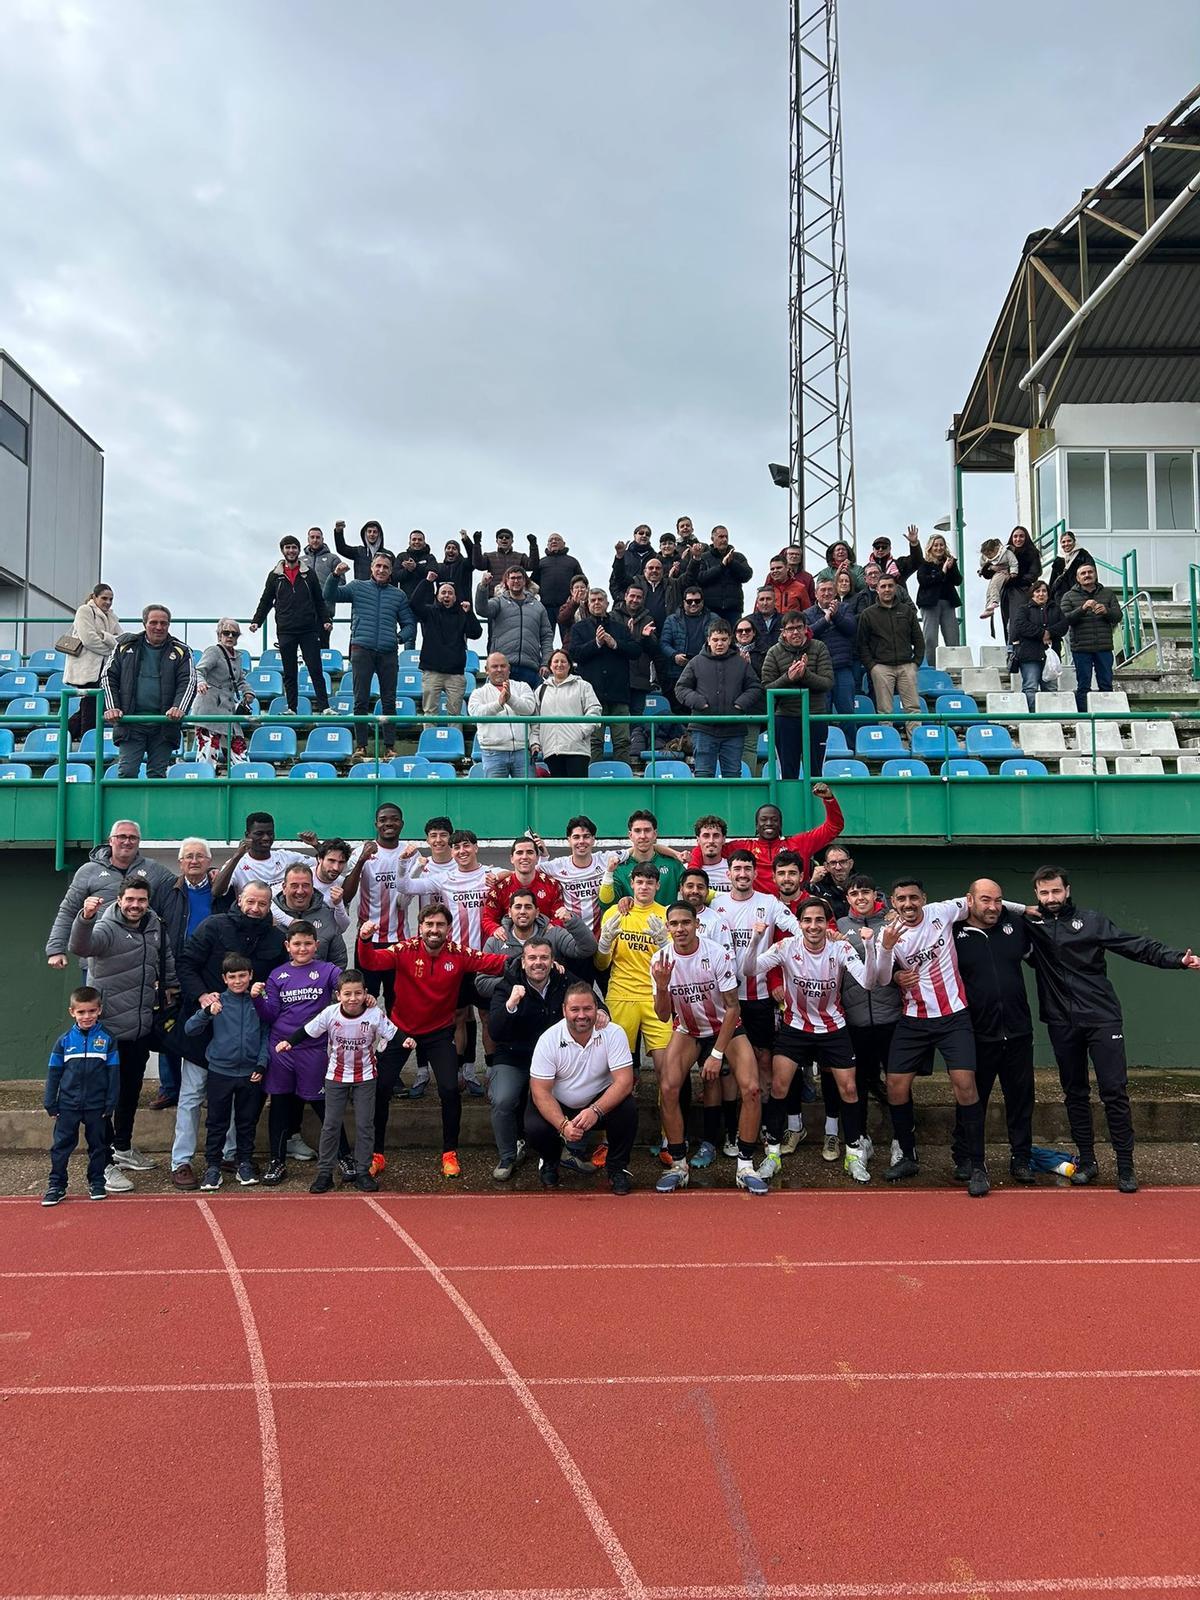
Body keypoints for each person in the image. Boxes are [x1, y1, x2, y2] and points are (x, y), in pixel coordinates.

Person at [1022, 865, 1200, 1193]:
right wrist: (1022, 910)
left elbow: (1135, 945)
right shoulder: (1031, 926)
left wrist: (1176, 959)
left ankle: (1125, 1165)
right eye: (1044, 893)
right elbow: (987, 908)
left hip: (1102, 1018)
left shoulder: (1092, 922)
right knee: (1075, 1093)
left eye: (1056, 891)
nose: (1051, 898)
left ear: (1068, 890)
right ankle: (1088, 1162)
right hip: (1061, 1022)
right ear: (1036, 895)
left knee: (1114, 1092)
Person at [876, 879, 1021, 1197]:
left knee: (965, 1085)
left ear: (924, 899)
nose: (909, 903)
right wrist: (890, 957)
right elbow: (881, 978)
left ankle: (977, 1166)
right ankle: (908, 1157)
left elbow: (988, 901)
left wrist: (1028, 909)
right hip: (914, 1020)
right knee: (896, 1086)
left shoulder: (942, 911)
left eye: (914, 897)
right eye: (902, 899)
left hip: (954, 1016)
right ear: (893, 902)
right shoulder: (887, 935)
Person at [357, 903, 507, 1178]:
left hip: (439, 1033)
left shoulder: (458, 953)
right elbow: (371, 962)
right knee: (381, 1088)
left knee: (450, 1089)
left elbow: (493, 963)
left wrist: (530, 958)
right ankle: (376, 1153)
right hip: (399, 1031)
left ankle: (449, 1153)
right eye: (429, 925)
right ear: (421, 927)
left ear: (448, 929)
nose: (434, 930)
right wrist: (365, 940)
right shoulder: (404, 950)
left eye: (440, 925)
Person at [749, 896, 883, 1184]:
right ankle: (772, 1154)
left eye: (819, 920)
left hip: (833, 1027)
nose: (813, 926)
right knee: (779, 1085)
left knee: (848, 1089)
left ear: (827, 923)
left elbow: (869, 982)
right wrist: (755, 939)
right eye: (807, 920)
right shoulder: (786, 947)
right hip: (795, 1026)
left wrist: (871, 946)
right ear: (799, 924)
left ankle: (854, 1153)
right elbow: (748, 970)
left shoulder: (841, 947)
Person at [68, 875, 175, 1190]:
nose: (135, 905)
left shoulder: (154, 923)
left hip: (140, 1027)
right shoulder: (105, 927)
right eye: (130, 899)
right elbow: (80, 945)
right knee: (105, 1100)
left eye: (141, 900)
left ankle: (123, 1148)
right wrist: (85, 917)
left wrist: (172, 988)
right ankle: (102, 1166)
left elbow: (164, 958)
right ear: (119, 899)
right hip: (109, 1031)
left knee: (129, 1094)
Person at [650, 903, 765, 1195]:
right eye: (674, 924)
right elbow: (663, 1016)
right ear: (667, 927)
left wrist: (716, 1054)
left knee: (751, 1088)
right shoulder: (660, 959)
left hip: (726, 1027)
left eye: (685, 922)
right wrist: (662, 988)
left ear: (696, 924)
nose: (680, 929)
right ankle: (678, 1164)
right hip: (688, 1030)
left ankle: (746, 1165)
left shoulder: (716, 953)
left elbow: (732, 1008)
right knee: (668, 1088)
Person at [279, 969, 397, 1194]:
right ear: (338, 995)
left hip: (365, 1077)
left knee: (365, 1124)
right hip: (336, 1076)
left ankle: (363, 1171)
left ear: (365, 994)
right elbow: (307, 1030)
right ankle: (324, 1173)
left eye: (358, 993)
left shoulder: (373, 1013)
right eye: (347, 994)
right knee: (331, 1125)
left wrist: (407, 1041)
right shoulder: (330, 1013)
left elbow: (393, 1034)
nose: (353, 998)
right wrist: (289, 1043)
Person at [950, 881, 1036, 1185]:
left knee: (1021, 1099)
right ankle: (966, 1158)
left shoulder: (1015, 926)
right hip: (975, 1033)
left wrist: (1020, 909)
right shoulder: (953, 931)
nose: (993, 907)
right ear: (969, 900)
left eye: (999, 901)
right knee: (972, 1099)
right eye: (986, 900)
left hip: (1018, 1032)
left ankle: (1021, 1158)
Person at [253, 922, 343, 1187]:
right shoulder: (277, 975)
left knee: (324, 1106)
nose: (302, 948)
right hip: (281, 1048)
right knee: (280, 1104)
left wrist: (365, 997)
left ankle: (345, 1156)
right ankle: (276, 1161)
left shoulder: (328, 970)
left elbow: (348, 987)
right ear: (287, 947)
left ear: (316, 945)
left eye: (307, 943)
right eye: (297, 944)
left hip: (314, 1049)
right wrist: (258, 999)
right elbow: (270, 1014)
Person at [525, 984, 637, 1193]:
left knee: (627, 1108)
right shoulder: (548, 1039)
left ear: (597, 1009)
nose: (582, 1015)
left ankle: (617, 1169)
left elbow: (624, 1082)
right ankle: (550, 1161)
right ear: (564, 1010)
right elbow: (540, 1091)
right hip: (559, 1103)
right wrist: (562, 1125)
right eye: (575, 1009)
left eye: (588, 1009)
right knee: (534, 1127)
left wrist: (596, 1110)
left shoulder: (614, 1033)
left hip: (598, 1102)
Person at [712, 849, 801, 1094]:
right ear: (728, 873)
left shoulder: (769, 902)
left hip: (760, 996)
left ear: (754, 873)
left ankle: (762, 1122)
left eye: (747, 869)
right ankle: (733, 1121)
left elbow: (798, 930)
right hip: (726, 997)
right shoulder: (716, 904)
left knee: (763, 1056)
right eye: (737, 869)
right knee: (729, 1061)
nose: (742, 874)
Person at [184, 953, 269, 1191]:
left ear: (251, 975)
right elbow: (190, 1029)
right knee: (216, 1122)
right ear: (224, 978)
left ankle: (244, 1163)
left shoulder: (259, 1001)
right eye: (232, 977)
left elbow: (266, 1035)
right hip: (220, 1072)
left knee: (246, 1122)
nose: (238, 981)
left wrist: (261, 1064)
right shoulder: (217, 1001)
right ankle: (213, 1167)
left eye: (243, 975)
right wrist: (206, 1012)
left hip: (250, 1073)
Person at [487, 942, 571, 1181]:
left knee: (576, 1088)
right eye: (532, 958)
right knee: (503, 1099)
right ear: (523, 962)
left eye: (544, 958)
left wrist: (602, 1011)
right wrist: (510, 1005)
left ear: (552, 961)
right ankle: (507, 1155)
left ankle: (566, 1150)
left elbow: (587, 997)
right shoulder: (507, 986)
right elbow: (495, 1030)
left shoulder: (564, 981)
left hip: (553, 1060)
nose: (538, 963)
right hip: (515, 1057)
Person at [45, 820, 174, 970]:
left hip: (138, 961)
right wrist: (56, 949)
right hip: (98, 959)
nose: (127, 841)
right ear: (110, 840)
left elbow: (181, 886)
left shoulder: (153, 869)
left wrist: (208, 872)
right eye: (122, 836)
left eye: (133, 838)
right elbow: (68, 911)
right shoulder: (88, 871)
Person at [324, 552, 416, 758]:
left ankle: (390, 747)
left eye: (386, 567)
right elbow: (330, 595)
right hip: (361, 650)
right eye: (378, 566)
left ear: (391, 571)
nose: (381, 570)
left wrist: (399, 638)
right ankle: (361, 746)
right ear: (371, 568)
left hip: (388, 652)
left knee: (389, 700)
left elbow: (409, 624)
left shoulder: (398, 595)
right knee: (360, 700)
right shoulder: (357, 586)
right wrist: (335, 575)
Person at [154, 837, 220, 1114]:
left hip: (207, 972)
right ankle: (170, 1088)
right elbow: (154, 932)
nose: (194, 861)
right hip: (173, 969)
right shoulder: (166, 891)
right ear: (180, 863)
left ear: (209, 862)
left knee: (207, 1029)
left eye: (199, 856)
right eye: (188, 856)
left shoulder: (221, 890)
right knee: (170, 1028)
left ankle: (205, 1089)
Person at [42, 985, 119, 1205]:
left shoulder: (107, 1040)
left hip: (97, 1106)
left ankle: (96, 1182)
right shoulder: (64, 1041)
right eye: (81, 1012)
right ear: (72, 1012)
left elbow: (114, 1075)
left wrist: (110, 1102)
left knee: (98, 1146)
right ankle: (56, 1185)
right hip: (67, 1105)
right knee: (61, 1146)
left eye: (91, 1011)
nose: (87, 1016)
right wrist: (51, 1102)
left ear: (99, 1011)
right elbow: (54, 1074)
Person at [687, 787, 844, 894]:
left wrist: (829, 799)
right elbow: (706, 847)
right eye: (763, 820)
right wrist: (693, 871)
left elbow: (834, 827)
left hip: (794, 906)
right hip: (758, 912)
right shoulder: (743, 848)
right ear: (756, 825)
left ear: (781, 824)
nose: (769, 823)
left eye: (774, 820)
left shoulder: (799, 843)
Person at [103, 605, 197, 778]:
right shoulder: (124, 647)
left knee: (157, 775)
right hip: (130, 723)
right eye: (154, 622)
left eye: (164, 623)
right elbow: (108, 677)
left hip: (164, 724)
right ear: (144, 623)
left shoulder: (182, 650)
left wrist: (179, 707)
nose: (159, 627)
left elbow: (189, 681)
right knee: (127, 772)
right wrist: (112, 707)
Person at [594, 863, 672, 1073]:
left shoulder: (667, 916)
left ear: (657, 886)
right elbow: (601, 964)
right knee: (615, 1069)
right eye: (639, 882)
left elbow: (677, 965)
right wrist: (605, 942)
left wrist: (665, 944)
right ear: (632, 884)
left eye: (649, 882)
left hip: (656, 996)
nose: (644, 887)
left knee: (668, 1069)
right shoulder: (615, 913)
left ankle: (668, 1106)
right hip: (621, 995)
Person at [838, 875, 897, 1146]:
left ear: (876, 895)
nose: (860, 897)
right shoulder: (838, 927)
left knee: (897, 1082)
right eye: (854, 893)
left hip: (890, 1016)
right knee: (857, 1082)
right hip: (855, 1018)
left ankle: (901, 1141)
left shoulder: (892, 924)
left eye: (865, 892)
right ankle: (860, 1139)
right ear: (847, 898)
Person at [340, 804, 416, 1016]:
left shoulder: (410, 853)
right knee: (365, 998)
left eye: (394, 819)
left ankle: (393, 1046)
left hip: (400, 940)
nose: (389, 823)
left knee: (398, 998)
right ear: (376, 824)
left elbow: (409, 895)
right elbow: (346, 895)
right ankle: (365, 1047)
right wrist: (362, 859)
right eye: (383, 820)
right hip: (368, 940)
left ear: (402, 823)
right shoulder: (362, 852)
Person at [249, 537, 332, 715]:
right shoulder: (274, 576)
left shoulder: (309, 573)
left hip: (308, 629)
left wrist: (326, 619)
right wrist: (257, 620)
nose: (291, 551)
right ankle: (292, 708)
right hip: (286, 630)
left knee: (315, 668)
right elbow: (266, 600)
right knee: (290, 672)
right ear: (282, 550)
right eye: (288, 548)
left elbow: (319, 599)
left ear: (298, 550)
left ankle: (325, 707)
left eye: (294, 548)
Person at [178, 881, 288, 1009]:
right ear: (240, 900)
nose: (255, 908)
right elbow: (186, 964)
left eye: (262, 904)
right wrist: (202, 995)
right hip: (209, 1012)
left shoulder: (277, 938)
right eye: (250, 902)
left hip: (253, 1016)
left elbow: (281, 978)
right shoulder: (213, 926)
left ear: (269, 906)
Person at [675, 618, 762, 777]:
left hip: (734, 730)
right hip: (703, 729)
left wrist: (740, 704)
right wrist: (699, 702)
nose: (719, 643)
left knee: (733, 777)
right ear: (708, 640)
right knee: (703, 777)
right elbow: (680, 688)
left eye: (723, 639)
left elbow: (755, 687)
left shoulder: (741, 664)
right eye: (715, 640)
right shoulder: (695, 662)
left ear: (730, 640)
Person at [569, 588, 642, 767]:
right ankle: (594, 780)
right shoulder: (579, 628)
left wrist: (614, 643)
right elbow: (575, 654)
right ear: (587, 604)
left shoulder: (620, 628)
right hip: (592, 696)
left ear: (607, 604)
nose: (596, 603)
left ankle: (622, 782)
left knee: (622, 741)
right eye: (592, 600)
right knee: (594, 742)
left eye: (600, 600)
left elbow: (635, 651)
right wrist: (596, 644)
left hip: (619, 693)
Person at [478, 890, 597, 997]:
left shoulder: (553, 933)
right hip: (512, 1011)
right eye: (518, 907)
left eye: (528, 907)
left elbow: (588, 949)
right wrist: (518, 982)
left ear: (537, 912)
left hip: (551, 1008)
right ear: (509, 912)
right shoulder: (495, 941)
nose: (523, 911)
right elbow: (482, 983)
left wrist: (572, 921)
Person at [760, 612, 834, 779]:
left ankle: (815, 803)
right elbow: (766, 688)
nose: (795, 632)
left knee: (815, 772)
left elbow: (827, 683)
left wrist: (805, 674)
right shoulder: (773, 652)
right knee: (788, 772)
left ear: (806, 629)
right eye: (790, 629)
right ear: (783, 632)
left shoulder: (819, 647)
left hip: (815, 717)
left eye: (799, 627)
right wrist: (789, 678)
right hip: (785, 718)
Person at [531, 816, 623, 939]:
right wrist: (544, 856)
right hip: (571, 938)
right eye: (576, 837)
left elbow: (635, 850)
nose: (581, 841)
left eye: (586, 836)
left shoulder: (604, 859)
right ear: (568, 840)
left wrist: (657, 846)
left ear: (593, 839)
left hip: (600, 937)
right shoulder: (559, 865)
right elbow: (527, 871)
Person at [856, 572, 924, 730]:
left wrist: (916, 663)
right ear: (877, 589)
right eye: (883, 586)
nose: (887, 589)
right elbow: (862, 644)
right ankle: (887, 744)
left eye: (890, 586)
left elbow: (919, 640)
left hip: (907, 666)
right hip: (881, 668)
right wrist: (872, 667)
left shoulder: (907, 611)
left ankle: (918, 746)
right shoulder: (868, 614)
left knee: (913, 709)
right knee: (885, 712)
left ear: (896, 588)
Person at [410, 574, 483, 718]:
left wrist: (469, 614)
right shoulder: (430, 612)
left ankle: (455, 739)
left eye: (450, 593)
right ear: (437, 596)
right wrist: (427, 581)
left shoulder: (462, 614)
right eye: (443, 592)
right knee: (430, 712)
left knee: (455, 714)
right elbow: (414, 603)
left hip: (455, 673)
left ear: (455, 597)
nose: (446, 595)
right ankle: (431, 740)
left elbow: (476, 633)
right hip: (432, 671)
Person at [211, 812, 320, 903]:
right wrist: (236, 857)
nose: (266, 838)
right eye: (259, 834)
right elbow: (216, 892)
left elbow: (326, 866)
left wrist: (317, 845)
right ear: (247, 835)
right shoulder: (237, 863)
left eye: (270, 833)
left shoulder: (286, 857)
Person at [612, 582, 668, 759]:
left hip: (641, 677)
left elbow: (654, 649)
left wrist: (645, 638)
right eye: (632, 596)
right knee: (618, 716)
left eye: (638, 597)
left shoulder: (648, 619)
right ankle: (618, 754)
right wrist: (626, 634)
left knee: (636, 717)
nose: (635, 600)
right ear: (626, 596)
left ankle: (633, 753)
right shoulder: (613, 617)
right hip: (618, 677)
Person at [474, 566, 553, 690]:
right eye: (512, 578)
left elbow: (546, 636)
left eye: (519, 578)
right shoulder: (498, 602)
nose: (516, 581)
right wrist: (483, 586)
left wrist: (546, 663)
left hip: (530, 667)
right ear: (506, 582)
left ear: (525, 581)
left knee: (529, 707)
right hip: (502, 667)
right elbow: (481, 609)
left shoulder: (538, 607)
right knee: (500, 707)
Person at [1060, 563, 1122, 713]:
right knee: (1083, 685)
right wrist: (1082, 609)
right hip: (1081, 648)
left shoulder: (1108, 594)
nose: (1087, 575)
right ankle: (1083, 715)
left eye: (1090, 572)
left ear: (1095, 574)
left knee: (1106, 684)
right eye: (1083, 573)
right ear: (1077, 578)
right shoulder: (1068, 596)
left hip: (1104, 647)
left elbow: (1118, 616)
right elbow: (1064, 620)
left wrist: (1106, 611)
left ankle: (1107, 714)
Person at [64, 582, 120, 741]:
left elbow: (120, 640)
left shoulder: (111, 616)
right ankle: (86, 739)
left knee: (91, 704)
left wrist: (105, 636)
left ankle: (66, 735)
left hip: (103, 668)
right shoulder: (85, 611)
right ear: (94, 597)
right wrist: (110, 647)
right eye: (104, 598)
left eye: (111, 599)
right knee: (91, 705)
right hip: (87, 669)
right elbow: (88, 640)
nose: (108, 602)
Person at [532, 648, 601, 778]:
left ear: (569, 665)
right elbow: (535, 721)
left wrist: (581, 731)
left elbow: (594, 710)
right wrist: (535, 742)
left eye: (563, 661)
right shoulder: (541, 690)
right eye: (556, 661)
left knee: (577, 794)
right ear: (550, 666)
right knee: (559, 795)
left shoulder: (583, 686)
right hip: (552, 750)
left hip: (577, 750)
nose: (559, 664)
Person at [193, 618, 252, 768]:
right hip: (209, 709)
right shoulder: (213, 651)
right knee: (207, 754)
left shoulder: (237, 657)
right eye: (226, 633)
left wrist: (248, 692)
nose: (230, 636)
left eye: (235, 634)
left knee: (239, 753)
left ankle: (244, 783)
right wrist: (201, 682)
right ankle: (204, 786)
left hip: (228, 712)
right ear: (219, 635)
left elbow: (240, 679)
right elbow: (199, 671)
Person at [467, 652, 537, 778]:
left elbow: (529, 708)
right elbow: (476, 714)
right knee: (496, 796)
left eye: (503, 666)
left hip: (522, 751)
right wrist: (499, 704)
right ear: (486, 670)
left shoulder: (523, 686)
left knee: (528, 795)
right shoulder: (478, 693)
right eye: (494, 666)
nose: (499, 670)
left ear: (509, 669)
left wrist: (510, 699)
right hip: (493, 753)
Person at [600, 809, 687, 905]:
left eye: (647, 830)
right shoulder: (619, 868)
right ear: (630, 835)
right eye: (637, 831)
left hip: (666, 920)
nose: (642, 836)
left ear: (655, 834)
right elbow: (606, 903)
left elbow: (693, 889)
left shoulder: (673, 864)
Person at [803, 579, 857, 731]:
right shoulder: (807, 614)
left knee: (847, 711)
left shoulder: (845, 608)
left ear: (835, 593)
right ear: (816, 594)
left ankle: (851, 750)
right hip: (819, 670)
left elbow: (851, 628)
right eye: (823, 590)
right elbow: (808, 634)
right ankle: (823, 750)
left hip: (842, 668)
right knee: (822, 712)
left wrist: (836, 615)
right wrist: (826, 620)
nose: (826, 593)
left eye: (829, 590)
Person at [482, 837, 565, 935]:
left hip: (545, 943)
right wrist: (495, 929)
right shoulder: (499, 888)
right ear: (512, 858)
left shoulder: (552, 885)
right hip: (510, 945)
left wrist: (553, 927)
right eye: (519, 853)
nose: (524, 857)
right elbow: (487, 919)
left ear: (537, 858)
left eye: (530, 852)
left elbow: (560, 916)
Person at [269, 863, 348, 965]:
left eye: (305, 886)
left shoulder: (327, 915)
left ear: (312, 887)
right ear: (284, 887)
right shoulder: (269, 916)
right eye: (294, 886)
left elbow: (339, 961)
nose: (300, 891)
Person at [1010, 579, 1068, 710]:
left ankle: (1051, 717)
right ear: (1032, 594)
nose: (1041, 594)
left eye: (1044, 591)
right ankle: (1031, 717)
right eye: (1038, 591)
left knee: (1051, 689)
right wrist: (1042, 634)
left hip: (1050, 656)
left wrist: (1049, 633)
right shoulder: (1023, 609)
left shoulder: (1056, 609)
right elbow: (1020, 626)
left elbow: (1063, 625)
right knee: (1030, 687)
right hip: (1029, 656)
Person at [911, 533, 961, 656]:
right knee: (930, 638)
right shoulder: (924, 564)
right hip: (930, 604)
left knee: (952, 637)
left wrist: (951, 568)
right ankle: (930, 665)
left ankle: (954, 665)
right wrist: (942, 572)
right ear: (930, 548)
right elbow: (924, 581)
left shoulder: (950, 562)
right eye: (936, 545)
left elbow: (958, 581)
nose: (939, 548)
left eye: (941, 545)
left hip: (948, 603)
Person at [530, 533, 585, 633]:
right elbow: (532, 583)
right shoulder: (541, 562)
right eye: (551, 540)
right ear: (547, 545)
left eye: (557, 539)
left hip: (567, 607)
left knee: (569, 637)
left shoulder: (572, 561)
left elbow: (582, 581)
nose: (554, 541)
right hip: (546, 607)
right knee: (545, 638)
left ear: (564, 543)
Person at [1000, 525, 1042, 639]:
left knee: (1018, 619)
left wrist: (1014, 580)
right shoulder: (1005, 553)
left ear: (1026, 537)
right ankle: (1010, 648)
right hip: (1006, 592)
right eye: (1015, 536)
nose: (1018, 539)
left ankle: (1018, 645)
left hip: (1021, 591)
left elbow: (1034, 574)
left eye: (1021, 536)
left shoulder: (1032, 553)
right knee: (1007, 622)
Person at [804, 843, 856, 921]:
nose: (838, 867)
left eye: (843, 862)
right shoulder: (819, 887)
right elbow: (802, 901)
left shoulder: (862, 884)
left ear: (850, 864)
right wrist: (812, 882)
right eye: (833, 863)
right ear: (826, 866)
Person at [470, 527, 537, 586]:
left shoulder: (520, 556)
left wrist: (533, 546)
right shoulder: (489, 556)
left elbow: (532, 566)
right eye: (501, 537)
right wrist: (477, 544)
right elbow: (478, 565)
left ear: (512, 541)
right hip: (494, 595)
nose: (504, 539)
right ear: (497, 541)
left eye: (507, 537)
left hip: (514, 595)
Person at [333, 517, 394, 582]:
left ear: (379, 534)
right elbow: (341, 549)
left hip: (381, 590)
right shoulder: (359, 551)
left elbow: (394, 576)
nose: (372, 534)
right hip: (360, 589)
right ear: (365, 534)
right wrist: (338, 532)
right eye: (369, 531)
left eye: (375, 532)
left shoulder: (388, 554)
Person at [1048, 529, 1094, 606]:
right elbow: (1053, 580)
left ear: (1074, 541)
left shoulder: (1083, 555)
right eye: (1063, 542)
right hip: (1060, 596)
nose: (1066, 544)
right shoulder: (1058, 559)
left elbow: (1092, 574)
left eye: (1069, 541)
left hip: (1079, 595)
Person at [978, 538, 1019, 622]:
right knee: (989, 589)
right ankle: (989, 608)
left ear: (996, 549)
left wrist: (1013, 572)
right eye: (986, 555)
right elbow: (983, 565)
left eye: (990, 554)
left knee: (994, 585)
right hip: (996, 573)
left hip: (1003, 572)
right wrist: (983, 570)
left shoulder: (1006, 552)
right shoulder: (985, 557)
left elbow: (1013, 562)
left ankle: (994, 601)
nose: (989, 556)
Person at [609, 523, 656, 597]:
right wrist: (621, 598)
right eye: (641, 533)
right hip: (625, 601)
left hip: (647, 601)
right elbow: (614, 580)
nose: (644, 535)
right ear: (634, 535)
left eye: (647, 534)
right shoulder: (624, 555)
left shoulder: (655, 557)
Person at [429, 534, 474, 603]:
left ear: (458, 552)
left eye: (454, 548)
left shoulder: (464, 565)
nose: (451, 550)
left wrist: (466, 541)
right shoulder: (439, 567)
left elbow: (473, 557)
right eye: (448, 548)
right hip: (441, 607)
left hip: (462, 606)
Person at [394, 530, 434, 604]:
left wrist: (416, 567)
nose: (417, 542)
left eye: (420, 540)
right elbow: (395, 576)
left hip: (425, 602)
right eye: (414, 539)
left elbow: (433, 574)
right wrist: (408, 570)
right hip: (406, 601)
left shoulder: (430, 558)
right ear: (409, 542)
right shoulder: (402, 556)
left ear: (424, 543)